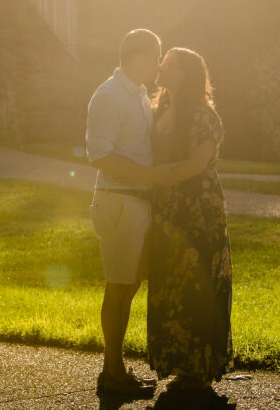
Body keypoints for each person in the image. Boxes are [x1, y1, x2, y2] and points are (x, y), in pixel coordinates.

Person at [86, 28, 174, 397]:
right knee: (119, 287)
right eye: (156, 57)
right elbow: (100, 155)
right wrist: (152, 175)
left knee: (130, 286)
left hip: (138, 201)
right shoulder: (108, 96)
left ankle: (115, 370)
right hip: (118, 200)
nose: (158, 65)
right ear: (139, 57)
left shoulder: (138, 94)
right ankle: (112, 375)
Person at [146, 47, 233, 391]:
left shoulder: (203, 115)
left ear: (185, 74)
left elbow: (197, 164)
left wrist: (151, 176)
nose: (160, 67)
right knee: (169, 281)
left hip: (198, 209)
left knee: (196, 282)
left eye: (168, 64)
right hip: (166, 209)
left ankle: (197, 364)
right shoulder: (160, 109)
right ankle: (177, 363)